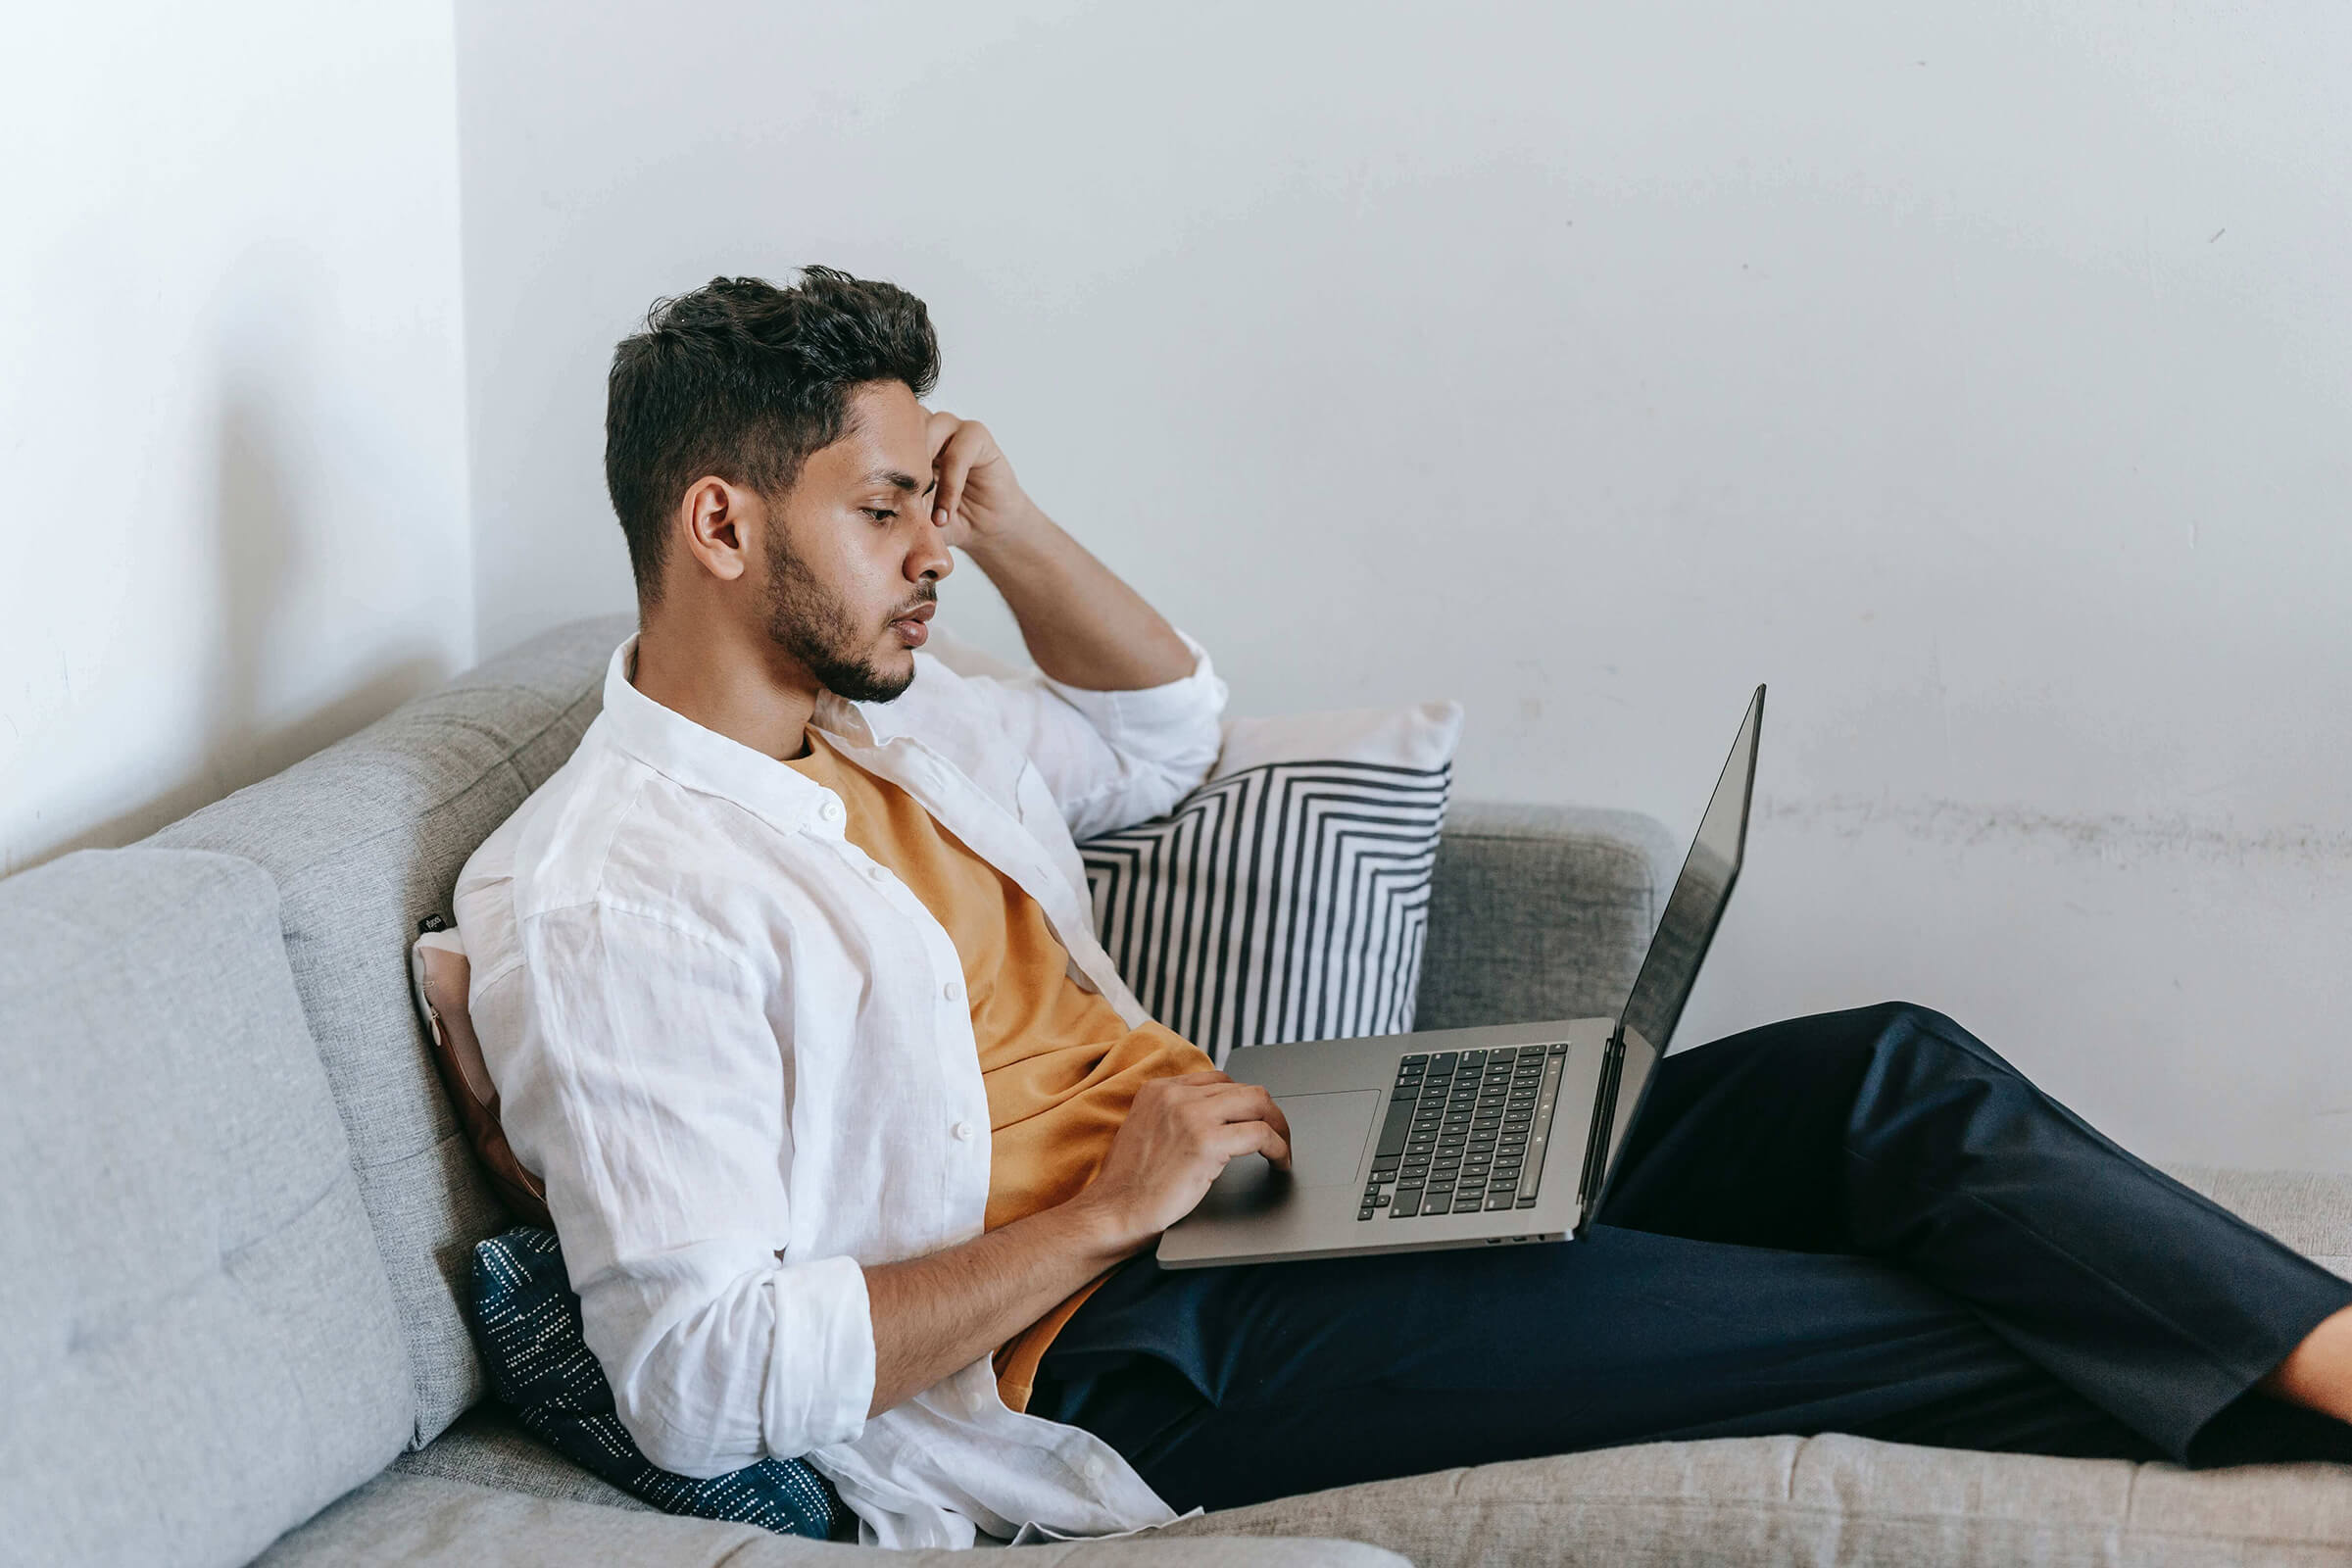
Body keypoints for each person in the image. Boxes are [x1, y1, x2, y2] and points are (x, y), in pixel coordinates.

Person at [453, 269, 2352, 1549]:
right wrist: (1117, 1200)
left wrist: (1008, 520)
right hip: (1124, 1344)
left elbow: (1166, 728)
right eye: (888, 511)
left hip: (1274, 1175)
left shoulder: (895, 711)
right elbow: (701, 1380)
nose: (930, 551)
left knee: (1888, 1076)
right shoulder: (617, 896)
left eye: (929, 507)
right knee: (1869, 1310)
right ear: (720, 525)